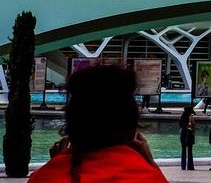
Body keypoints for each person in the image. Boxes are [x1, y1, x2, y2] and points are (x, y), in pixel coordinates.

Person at [30, 64, 166, 181]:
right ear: (132, 129)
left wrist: (57, 164)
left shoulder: (45, 177)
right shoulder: (148, 176)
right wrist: (150, 163)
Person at [179, 102, 197, 170]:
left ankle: (183, 166)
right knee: (190, 151)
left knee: (183, 151)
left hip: (183, 135)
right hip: (189, 135)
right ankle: (190, 166)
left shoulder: (182, 117)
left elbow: (180, 125)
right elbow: (193, 127)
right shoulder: (191, 118)